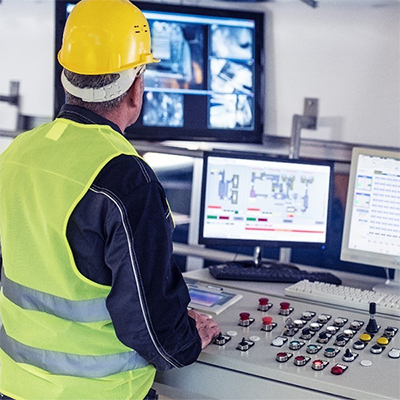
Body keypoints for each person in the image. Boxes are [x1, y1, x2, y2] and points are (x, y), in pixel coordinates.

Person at [0, 0, 220, 399]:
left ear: (66, 76)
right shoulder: (124, 179)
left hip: (15, 386)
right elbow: (150, 326)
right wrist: (188, 339)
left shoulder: (17, 154)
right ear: (136, 88)